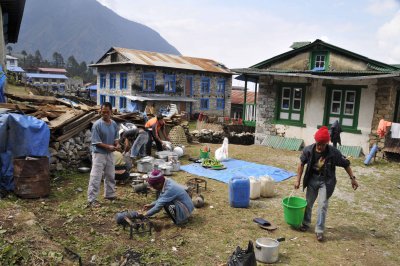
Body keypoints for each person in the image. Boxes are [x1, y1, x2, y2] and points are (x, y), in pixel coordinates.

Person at [294, 126, 358, 242]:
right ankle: (306, 223)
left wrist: (352, 178)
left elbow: (346, 164)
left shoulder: (333, 153)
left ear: (327, 143)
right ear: (315, 141)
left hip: (326, 181)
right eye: (318, 144)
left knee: (323, 205)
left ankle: (319, 230)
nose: (320, 147)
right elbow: (301, 164)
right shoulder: (308, 150)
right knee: (308, 203)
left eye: (323, 144)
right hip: (312, 179)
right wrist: (298, 180)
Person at [87, 102, 120, 207]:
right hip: (99, 154)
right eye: (103, 111)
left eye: (107, 112)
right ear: (100, 111)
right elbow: (96, 142)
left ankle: (109, 194)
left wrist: (117, 144)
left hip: (110, 154)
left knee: (110, 175)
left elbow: (116, 138)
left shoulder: (114, 124)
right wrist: (108, 146)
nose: (105, 113)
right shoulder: (97, 125)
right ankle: (92, 199)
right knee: (96, 176)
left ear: (111, 112)